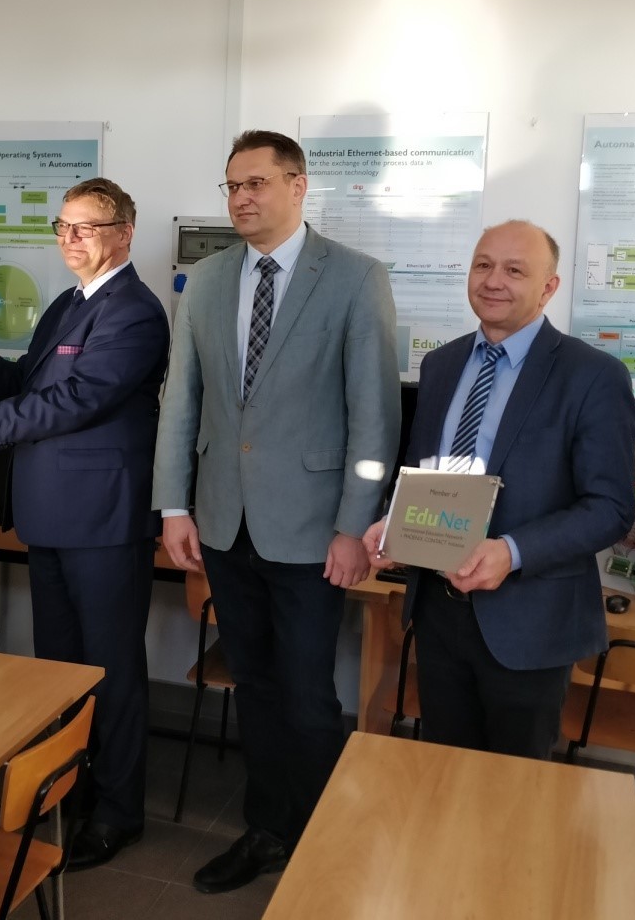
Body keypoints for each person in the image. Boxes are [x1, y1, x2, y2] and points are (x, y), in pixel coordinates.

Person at [153, 130, 401, 894]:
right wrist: (174, 505)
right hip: (225, 523)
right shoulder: (208, 279)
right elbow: (180, 399)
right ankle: (266, 829)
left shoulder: (354, 278)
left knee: (307, 694)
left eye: (256, 183)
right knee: (254, 687)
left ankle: (325, 844)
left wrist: (355, 524)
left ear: (298, 186)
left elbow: (374, 418)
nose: (241, 198)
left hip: (313, 531)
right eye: (232, 186)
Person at [0, 177, 168, 871]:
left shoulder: (136, 311)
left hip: (103, 517)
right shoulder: (69, 301)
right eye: (63, 226)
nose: (71, 239)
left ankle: (117, 812)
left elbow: (79, 399)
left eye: (86, 227)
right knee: (59, 670)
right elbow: (41, 385)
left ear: (124, 233)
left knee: (110, 670)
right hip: (50, 512)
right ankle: (66, 789)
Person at [362, 219, 635, 760]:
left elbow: (610, 509)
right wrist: (396, 524)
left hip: (528, 620)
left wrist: (510, 552)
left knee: (514, 786)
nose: (493, 281)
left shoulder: (592, 375)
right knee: (445, 768)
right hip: (439, 612)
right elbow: (426, 473)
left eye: (515, 270)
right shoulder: (441, 365)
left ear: (548, 287)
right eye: (483, 265)